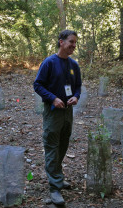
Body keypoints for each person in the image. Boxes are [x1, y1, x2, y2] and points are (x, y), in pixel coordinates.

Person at [33, 29, 82, 205]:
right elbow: (38, 85)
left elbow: (78, 86)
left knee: (63, 144)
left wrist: (76, 96)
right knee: (52, 146)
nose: (74, 46)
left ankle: (58, 177)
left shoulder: (74, 65)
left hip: (68, 112)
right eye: (71, 42)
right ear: (61, 42)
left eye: (75, 43)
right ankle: (54, 188)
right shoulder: (49, 63)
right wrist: (52, 98)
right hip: (53, 112)